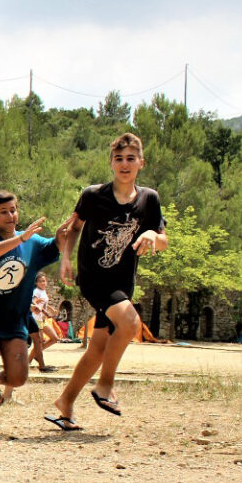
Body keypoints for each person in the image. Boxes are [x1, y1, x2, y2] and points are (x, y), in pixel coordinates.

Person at [48, 132, 167, 429]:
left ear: (141, 162)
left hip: (123, 281)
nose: (124, 164)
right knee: (130, 323)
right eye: (118, 158)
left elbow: (163, 240)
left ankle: (65, 401)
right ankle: (105, 385)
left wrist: (153, 235)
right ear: (110, 163)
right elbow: (73, 227)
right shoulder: (93, 194)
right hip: (94, 277)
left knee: (99, 347)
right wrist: (66, 258)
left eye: (130, 158)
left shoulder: (149, 199)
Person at [0, 195, 64, 434]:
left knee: (18, 377)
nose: (10, 216)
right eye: (4, 212)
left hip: (14, 321)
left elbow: (56, 246)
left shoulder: (33, 242)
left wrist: (69, 229)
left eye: (13, 210)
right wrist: (20, 238)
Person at [28, 271, 61, 371]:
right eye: (40, 281)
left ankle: (36, 355)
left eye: (44, 281)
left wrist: (51, 309)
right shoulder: (36, 291)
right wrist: (36, 304)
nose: (43, 283)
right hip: (36, 319)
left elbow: (44, 303)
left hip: (43, 319)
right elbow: (34, 301)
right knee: (39, 342)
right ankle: (30, 361)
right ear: (36, 283)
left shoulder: (43, 291)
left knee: (55, 338)